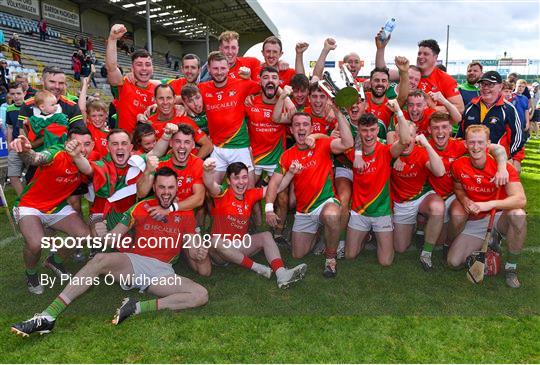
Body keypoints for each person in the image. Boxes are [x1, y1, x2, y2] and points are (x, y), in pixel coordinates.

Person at [10, 167, 209, 337]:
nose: (166, 192)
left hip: (163, 272)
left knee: (200, 294)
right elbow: (113, 237)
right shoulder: (140, 207)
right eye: (162, 187)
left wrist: (197, 251)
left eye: (171, 187)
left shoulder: (185, 213)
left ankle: (135, 307)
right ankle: (48, 316)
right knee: (99, 260)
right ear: (155, 188)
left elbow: (192, 246)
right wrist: (102, 232)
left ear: (176, 189)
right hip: (135, 263)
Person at [265, 108, 354, 278]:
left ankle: (330, 259)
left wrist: (338, 113)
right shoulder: (287, 156)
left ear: (312, 128)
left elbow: (348, 143)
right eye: (297, 125)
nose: (301, 128)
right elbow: (274, 183)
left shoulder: (323, 144)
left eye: (305, 124)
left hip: (325, 203)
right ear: (291, 130)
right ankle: (322, 232)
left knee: (332, 215)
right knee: (298, 254)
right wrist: (269, 209)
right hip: (304, 211)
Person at [9, 127, 94, 294]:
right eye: (77, 143)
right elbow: (36, 158)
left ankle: (54, 260)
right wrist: (25, 150)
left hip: (57, 207)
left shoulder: (92, 161)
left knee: (85, 236)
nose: (82, 149)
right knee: (36, 243)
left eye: (87, 144)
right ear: (67, 143)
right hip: (29, 205)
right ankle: (31, 274)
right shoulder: (57, 153)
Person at [203, 160, 308, 288]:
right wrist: (207, 171)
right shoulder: (222, 193)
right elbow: (210, 185)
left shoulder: (249, 194)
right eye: (236, 178)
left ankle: (282, 274)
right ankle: (257, 267)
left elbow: (276, 188)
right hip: (220, 253)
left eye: (244, 177)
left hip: (241, 245)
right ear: (229, 181)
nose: (241, 182)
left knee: (266, 235)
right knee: (215, 241)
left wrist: (291, 173)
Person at [448, 125, 526, 288]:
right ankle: (490, 243)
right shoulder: (458, 165)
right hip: (478, 220)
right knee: (453, 262)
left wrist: (488, 204)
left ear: (488, 144)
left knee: (518, 215)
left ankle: (511, 267)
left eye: (480, 143)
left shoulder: (503, 168)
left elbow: (520, 200)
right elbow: (458, 188)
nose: (476, 147)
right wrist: (464, 200)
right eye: (471, 142)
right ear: (466, 144)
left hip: (499, 216)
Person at [425, 111, 508, 258]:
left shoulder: (463, 145)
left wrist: (502, 168)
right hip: (435, 197)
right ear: (429, 130)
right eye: (435, 128)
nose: (440, 132)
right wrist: (401, 160)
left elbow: (498, 149)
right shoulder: (424, 146)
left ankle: (454, 242)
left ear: (451, 129)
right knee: (437, 241)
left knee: (458, 215)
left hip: (454, 195)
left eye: (444, 127)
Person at [137, 124, 210, 275]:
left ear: (193, 145)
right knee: (150, 258)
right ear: (171, 143)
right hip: (160, 220)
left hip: (185, 219)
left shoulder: (198, 164)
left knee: (202, 269)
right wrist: (148, 172)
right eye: (178, 141)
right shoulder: (161, 163)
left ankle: (185, 245)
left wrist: (170, 209)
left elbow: (199, 199)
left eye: (187, 142)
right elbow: (142, 192)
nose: (182, 146)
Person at [345, 102, 411, 265]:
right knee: (350, 255)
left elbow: (404, 140)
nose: (368, 135)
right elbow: (344, 139)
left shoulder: (386, 151)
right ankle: (366, 234)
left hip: (382, 213)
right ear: (358, 131)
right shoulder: (353, 151)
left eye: (372, 130)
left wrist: (399, 112)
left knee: (386, 262)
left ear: (377, 130)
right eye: (364, 130)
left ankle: (374, 234)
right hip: (359, 212)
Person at [197, 51, 260, 185]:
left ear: (228, 68)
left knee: (249, 190)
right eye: (215, 68)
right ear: (208, 69)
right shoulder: (202, 88)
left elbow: (266, 89)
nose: (219, 72)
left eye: (223, 68)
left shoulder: (241, 83)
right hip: (217, 149)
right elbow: (185, 97)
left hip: (240, 147)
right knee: (212, 190)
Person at [390, 120, 446, 271]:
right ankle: (417, 225)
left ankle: (426, 253)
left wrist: (427, 145)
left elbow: (440, 172)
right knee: (400, 248)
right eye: (403, 136)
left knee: (438, 207)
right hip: (402, 203)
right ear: (396, 137)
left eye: (411, 136)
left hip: (422, 196)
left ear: (416, 137)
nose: (407, 140)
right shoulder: (390, 152)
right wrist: (395, 159)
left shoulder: (421, 151)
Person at [376, 36, 464, 114]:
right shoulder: (410, 73)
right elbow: (382, 71)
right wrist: (380, 48)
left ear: (435, 58)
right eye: (419, 53)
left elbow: (460, 108)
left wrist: (430, 109)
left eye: (425, 54)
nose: (420, 57)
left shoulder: (446, 79)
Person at [459, 71, 525, 163]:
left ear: (500, 86)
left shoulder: (509, 109)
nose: (485, 88)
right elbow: (461, 134)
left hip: (496, 162)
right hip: (471, 162)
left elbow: (517, 137)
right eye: (483, 84)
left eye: (490, 85)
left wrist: (516, 160)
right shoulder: (470, 107)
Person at [106, 24, 158, 134]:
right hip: (126, 146)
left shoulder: (160, 89)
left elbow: (184, 94)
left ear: (152, 68)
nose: (144, 68)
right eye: (139, 64)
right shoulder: (124, 85)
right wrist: (112, 39)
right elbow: (111, 68)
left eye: (148, 64)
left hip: (153, 147)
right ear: (132, 68)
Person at [146, 84, 212, 159]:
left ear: (174, 99)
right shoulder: (149, 123)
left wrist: (193, 165)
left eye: (169, 98)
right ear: (154, 99)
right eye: (161, 98)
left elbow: (208, 145)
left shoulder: (184, 119)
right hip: (162, 167)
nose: (165, 102)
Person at [6, 82, 26, 195]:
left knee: (33, 176)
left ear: (24, 93)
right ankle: (24, 200)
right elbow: (9, 127)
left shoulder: (31, 106)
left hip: (31, 145)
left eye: (18, 93)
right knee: (13, 176)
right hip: (15, 146)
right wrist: (9, 143)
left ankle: (36, 200)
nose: (16, 96)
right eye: (13, 94)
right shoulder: (9, 109)